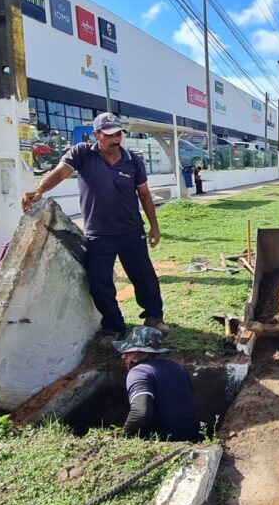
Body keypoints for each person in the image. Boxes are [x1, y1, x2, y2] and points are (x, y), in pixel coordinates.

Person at [21, 112, 170, 341]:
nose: (116, 139)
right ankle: (114, 326)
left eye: (119, 134)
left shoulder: (134, 160)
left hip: (131, 231)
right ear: (96, 135)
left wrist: (154, 226)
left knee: (144, 277)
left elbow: (144, 193)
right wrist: (40, 190)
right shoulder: (82, 153)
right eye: (109, 135)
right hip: (99, 235)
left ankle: (154, 318)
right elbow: (60, 172)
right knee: (100, 283)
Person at [114, 326, 201, 442]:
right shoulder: (178, 367)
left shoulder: (139, 372)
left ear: (139, 353)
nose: (123, 356)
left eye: (128, 352)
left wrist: (123, 439)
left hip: (165, 443)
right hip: (194, 439)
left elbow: (140, 412)